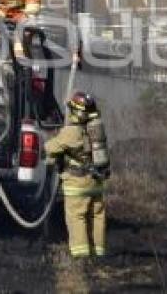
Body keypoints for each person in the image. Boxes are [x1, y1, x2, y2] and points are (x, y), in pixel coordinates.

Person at [44, 91, 109, 258]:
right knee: (97, 217)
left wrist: (50, 141)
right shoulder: (96, 129)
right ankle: (99, 253)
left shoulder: (71, 132)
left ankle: (81, 257)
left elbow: (50, 147)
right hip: (97, 183)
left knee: (77, 217)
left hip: (77, 184)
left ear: (75, 112)